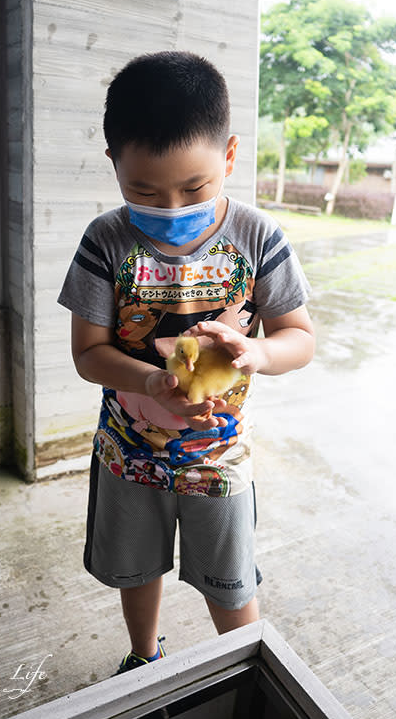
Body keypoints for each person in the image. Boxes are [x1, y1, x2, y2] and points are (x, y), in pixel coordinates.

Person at [57, 51, 315, 675]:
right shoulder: (106, 241)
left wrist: (257, 352)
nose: (170, 207)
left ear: (228, 157)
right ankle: (144, 657)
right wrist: (150, 378)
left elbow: (299, 337)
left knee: (230, 581)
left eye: (194, 188)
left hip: (219, 457)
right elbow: (89, 353)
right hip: (129, 450)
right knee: (135, 566)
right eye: (143, 190)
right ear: (114, 160)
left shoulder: (257, 238)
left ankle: (243, 669)